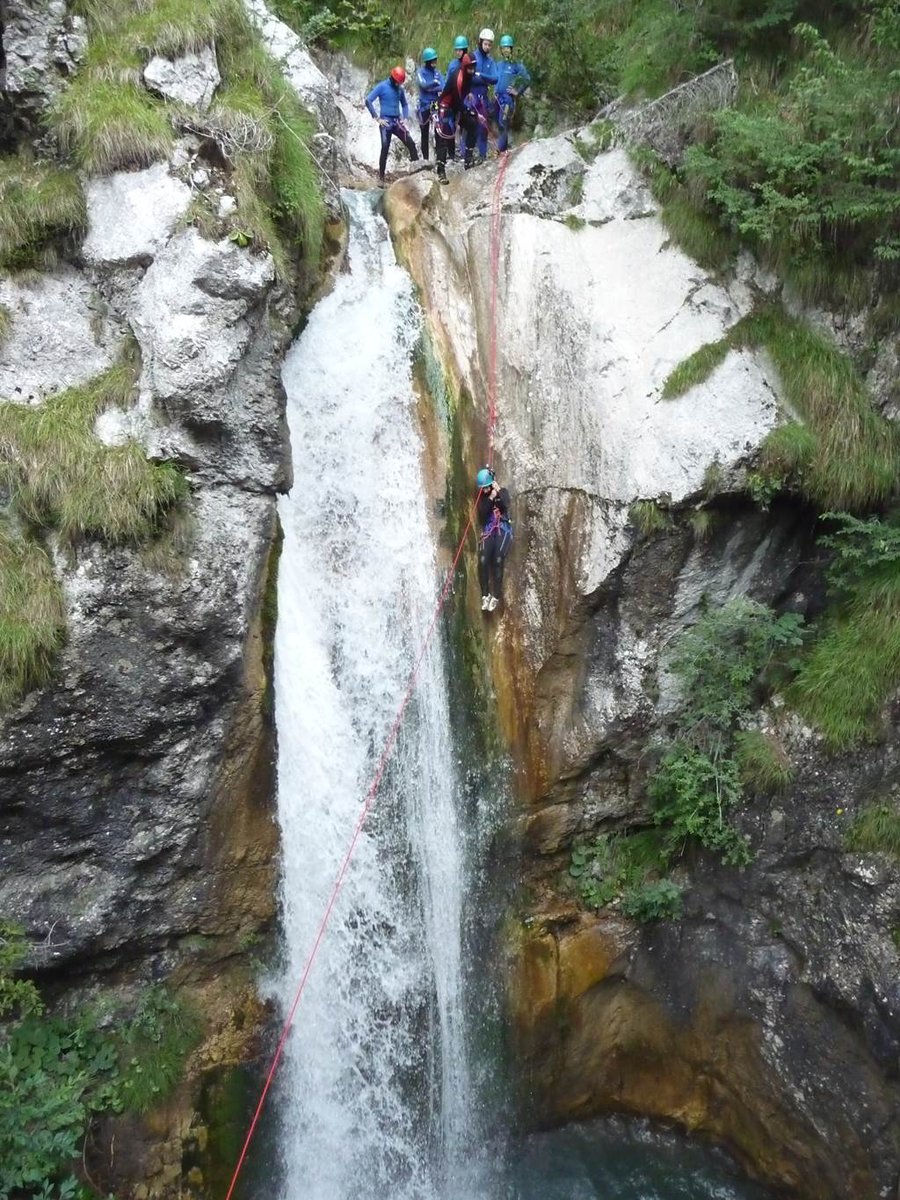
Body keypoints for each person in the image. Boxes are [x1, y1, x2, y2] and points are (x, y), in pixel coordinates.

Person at [365, 66, 419, 184]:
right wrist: (377, 118)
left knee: (410, 143)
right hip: (386, 122)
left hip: (397, 122)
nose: (399, 85)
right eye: (398, 82)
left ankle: (418, 172)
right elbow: (368, 100)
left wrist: (404, 117)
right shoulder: (382, 86)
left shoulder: (399, 89)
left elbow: (404, 104)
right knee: (385, 147)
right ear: (394, 79)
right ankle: (381, 177)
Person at [434, 52, 479, 184]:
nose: (472, 70)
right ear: (464, 67)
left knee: (472, 124)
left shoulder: (468, 76)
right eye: (470, 67)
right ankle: (440, 171)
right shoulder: (457, 78)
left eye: (473, 67)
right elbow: (457, 99)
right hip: (446, 106)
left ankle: (468, 160)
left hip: (456, 106)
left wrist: (468, 99)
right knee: (444, 137)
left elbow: (463, 94)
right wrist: (467, 110)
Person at [475, 466, 512, 612]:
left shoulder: (503, 492)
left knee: (497, 559)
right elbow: (483, 515)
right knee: (483, 560)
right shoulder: (483, 498)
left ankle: (496, 596)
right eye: (482, 489)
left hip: (503, 528)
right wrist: (490, 497)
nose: (484, 491)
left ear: (491, 484)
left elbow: (505, 505)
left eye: (486, 488)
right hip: (490, 528)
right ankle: (485, 595)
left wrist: (498, 493)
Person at [493, 34, 531, 153]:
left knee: (503, 123)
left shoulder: (516, 65)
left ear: (511, 49)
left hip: (507, 99)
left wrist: (517, 91)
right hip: (497, 98)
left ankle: (501, 151)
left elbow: (526, 79)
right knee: (498, 123)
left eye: (507, 47)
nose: (505, 50)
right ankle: (502, 148)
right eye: (503, 48)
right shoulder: (498, 65)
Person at [469, 28, 499, 163]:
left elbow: (495, 78)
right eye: (485, 44)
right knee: (469, 128)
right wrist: (484, 79)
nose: (487, 47)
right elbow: (469, 78)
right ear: (480, 42)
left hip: (483, 98)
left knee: (483, 129)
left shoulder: (491, 62)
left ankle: (482, 157)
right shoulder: (472, 57)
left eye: (489, 45)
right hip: (471, 97)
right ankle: (467, 157)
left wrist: (481, 75)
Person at [416, 47, 444, 160]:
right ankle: (425, 159)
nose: (434, 62)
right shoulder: (420, 72)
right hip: (424, 106)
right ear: (427, 61)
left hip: (435, 105)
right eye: (432, 60)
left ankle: (439, 159)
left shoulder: (437, 73)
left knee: (438, 132)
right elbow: (423, 85)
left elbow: (442, 86)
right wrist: (434, 84)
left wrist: (430, 87)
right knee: (424, 133)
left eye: (435, 60)